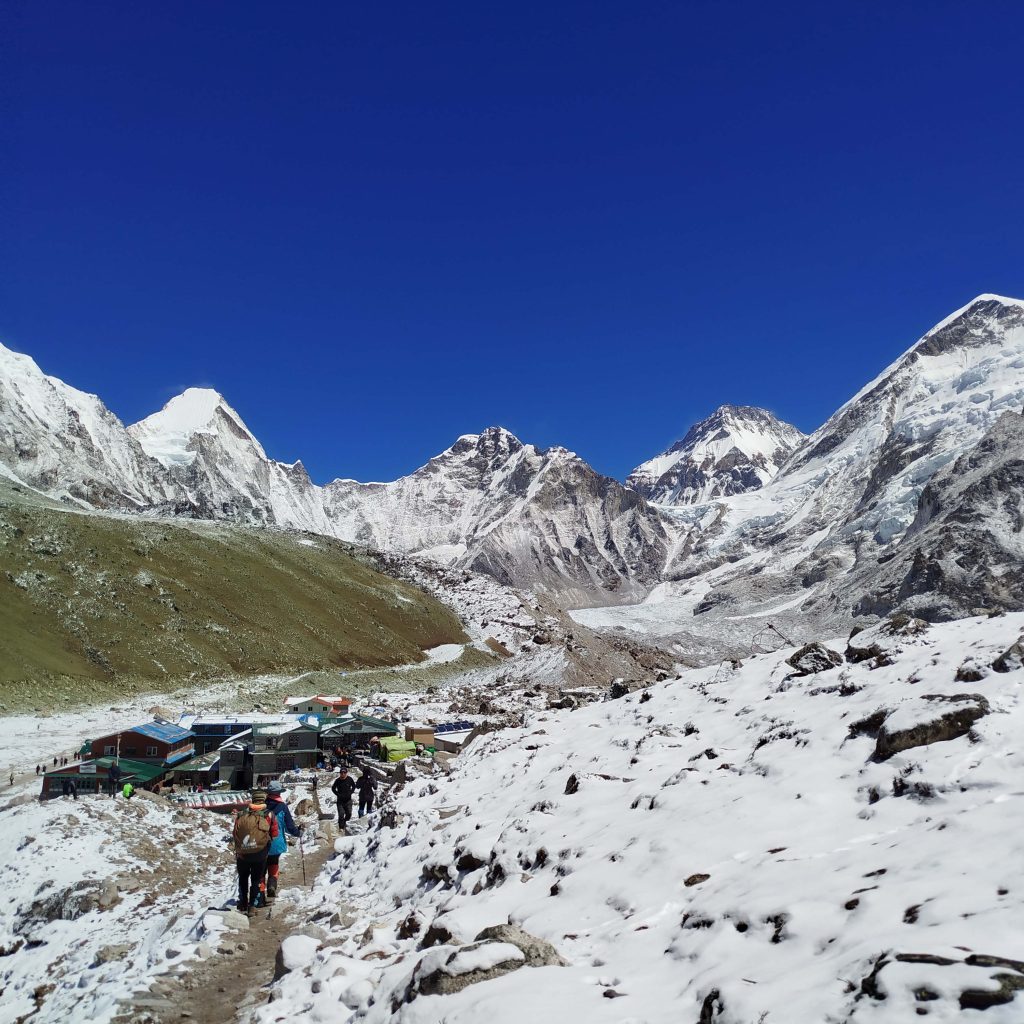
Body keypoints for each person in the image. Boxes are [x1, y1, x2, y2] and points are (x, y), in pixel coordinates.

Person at [232, 789, 278, 916]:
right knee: (257, 878)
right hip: (260, 853)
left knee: (243, 877)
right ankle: (252, 906)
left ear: (252, 800)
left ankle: (242, 903)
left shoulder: (241, 815)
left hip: (242, 853)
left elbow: (235, 833)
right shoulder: (269, 814)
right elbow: (275, 833)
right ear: (263, 800)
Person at [263, 780, 300, 899]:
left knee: (261, 868)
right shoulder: (282, 807)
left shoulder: (262, 806)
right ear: (279, 793)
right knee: (274, 863)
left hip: (261, 843)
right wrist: (298, 833)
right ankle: (272, 885)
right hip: (276, 842)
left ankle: (260, 892)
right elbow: (289, 827)